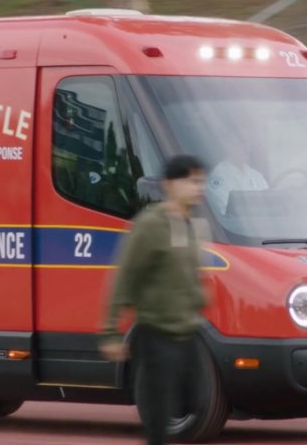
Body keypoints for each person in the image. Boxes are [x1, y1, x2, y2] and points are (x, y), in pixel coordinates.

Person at [99, 155, 210, 445]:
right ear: (170, 185)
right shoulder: (150, 224)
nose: (198, 188)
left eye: (201, 182)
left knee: (195, 401)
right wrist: (110, 331)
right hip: (155, 333)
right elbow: (124, 275)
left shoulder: (192, 225)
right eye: (191, 181)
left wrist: (198, 297)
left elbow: (188, 272)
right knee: (160, 417)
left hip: (188, 332)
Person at [206, 143, 268, 215]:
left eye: (244, 145)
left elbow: (270, 203)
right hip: (235, 225)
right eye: (237, 145)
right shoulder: (218, 176)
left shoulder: (255, 175)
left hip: (262, 222)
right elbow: (226, 212)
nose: (243, 149)